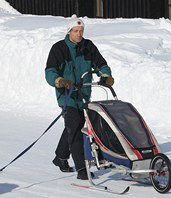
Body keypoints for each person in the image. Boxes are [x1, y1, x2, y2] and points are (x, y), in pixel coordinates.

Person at [45, 14, 114, 180]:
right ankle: (82, 169)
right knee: (75, 129)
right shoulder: (59, 49)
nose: (79, 34)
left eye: (81, 30)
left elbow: (101, 64)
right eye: (76, 31)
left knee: (74, 125)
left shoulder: (88, 46)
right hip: (67, 96)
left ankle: (60, 157)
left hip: (83, 94)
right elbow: (50, 72)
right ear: (69, 31)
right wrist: (60, 81)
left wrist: (105, 75)